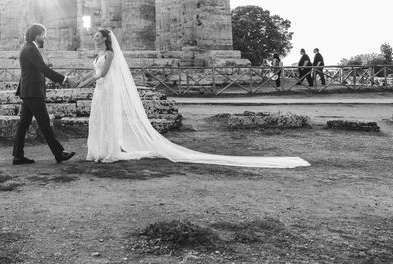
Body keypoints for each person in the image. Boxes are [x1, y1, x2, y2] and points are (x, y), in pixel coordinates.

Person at [77, 29, 310, 168]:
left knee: (106, 118)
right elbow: (95, 71)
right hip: (100, 90)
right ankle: (98, 151)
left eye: (97, 36)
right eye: (94, 35)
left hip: (104, 89)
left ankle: (109, 152)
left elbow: (104, 73)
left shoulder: (109, 53)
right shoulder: (98, 53)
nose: (94, 37)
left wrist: (86, 81)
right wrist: (80, 80)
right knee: (98, 119)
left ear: (105, 39)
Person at [13, 23, 76, 165]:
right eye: (44, 34)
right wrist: (64, 79)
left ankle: (18, 156)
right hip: (33, 92)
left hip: (29, 91)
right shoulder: (31, 49)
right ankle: (59, 153)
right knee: (45, 124)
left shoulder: (28, 47)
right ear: (37, 35)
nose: (45, 37)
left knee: (23, 124)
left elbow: (38, 69)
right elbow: (43, 69)